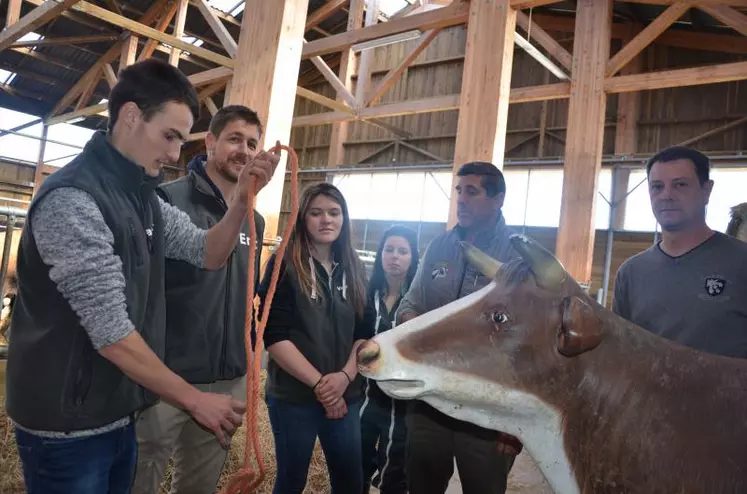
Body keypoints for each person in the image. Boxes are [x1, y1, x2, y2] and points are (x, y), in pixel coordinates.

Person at [4, 58, 279, 493]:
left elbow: (206, 252)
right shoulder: (75, 199)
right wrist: (193, 399)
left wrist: (242, 202)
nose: (175, 154)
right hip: (66, 421)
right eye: (169, 136)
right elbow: (111, 331)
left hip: (117, 408)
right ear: (131, 116)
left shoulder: (143, 199)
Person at [131, 105, 267, 493]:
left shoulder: (253, 220)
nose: (244, 150)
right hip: (168, 374)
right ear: (209, 141)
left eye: (253, 143)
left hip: (227, 379)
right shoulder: (168, 202)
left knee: (200, 483)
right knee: (142, 473)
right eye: (235, 139)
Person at [395, 161, 523, 494]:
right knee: (422, 483)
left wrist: (515, 422)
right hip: (431, 397)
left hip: (487, 406)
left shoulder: (520, 257)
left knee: (483, 485)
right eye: (459, 191)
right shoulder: (440, 247)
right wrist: (414, 329)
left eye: (472, 191)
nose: (461, 200)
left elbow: (529, 342)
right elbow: (411, 304)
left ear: (498, 199)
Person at [258, 182, 373, 494]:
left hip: (345, 393)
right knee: (292, 479)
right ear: (303, 218)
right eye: (316, 213)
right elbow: (274, 335)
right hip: (294, 396)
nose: (327, 220)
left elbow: (364, 334)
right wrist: (322, 386)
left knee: (350, 480)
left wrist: (345, 378)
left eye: (334, 213)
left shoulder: (356, 269)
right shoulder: (285, 265)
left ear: (344, 219)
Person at [612, 146, 747, 358]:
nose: (666, 195)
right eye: (657, 187)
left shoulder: (741, 262)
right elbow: (620, 353)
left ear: (706, 191)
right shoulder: (630, 273)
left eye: (680, 185)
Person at [359, 225, 419, 494]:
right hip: (364, 397)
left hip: (402, 404)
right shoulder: (364, 296)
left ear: (412, 257)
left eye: (403, 251)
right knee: (354, 466)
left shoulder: (421, 303)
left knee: (394, 475)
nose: (395, 256)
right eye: (389, 249)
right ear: (381, 254)